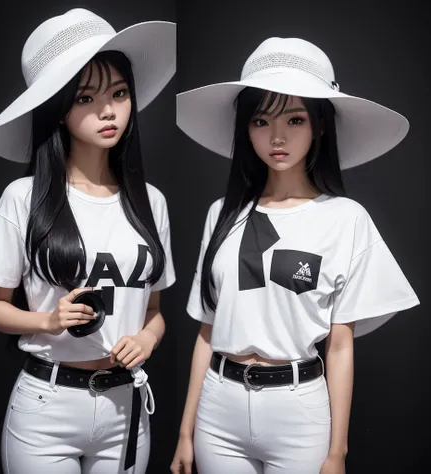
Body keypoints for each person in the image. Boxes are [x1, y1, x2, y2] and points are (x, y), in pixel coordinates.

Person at [171, 37, 420, 474]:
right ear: (246, 129)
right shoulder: (223, 214)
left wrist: (337, 453)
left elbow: (340, 345)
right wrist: (186, 432)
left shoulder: (344, 218)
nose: (278, 136)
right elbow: (207, 331)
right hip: (218, 407)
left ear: (320, 125)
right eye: (262, 120)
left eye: (295, 118)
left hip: (299, 411)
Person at [0, 8, 176, 474]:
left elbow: (156, 310)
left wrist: (146, 338)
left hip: (126, 406)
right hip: (48, 405)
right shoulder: (24, 198)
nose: (108, 110)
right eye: (86, 97)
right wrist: (48, 319)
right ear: (58, 110)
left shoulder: (151, 203)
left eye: (119, 93)